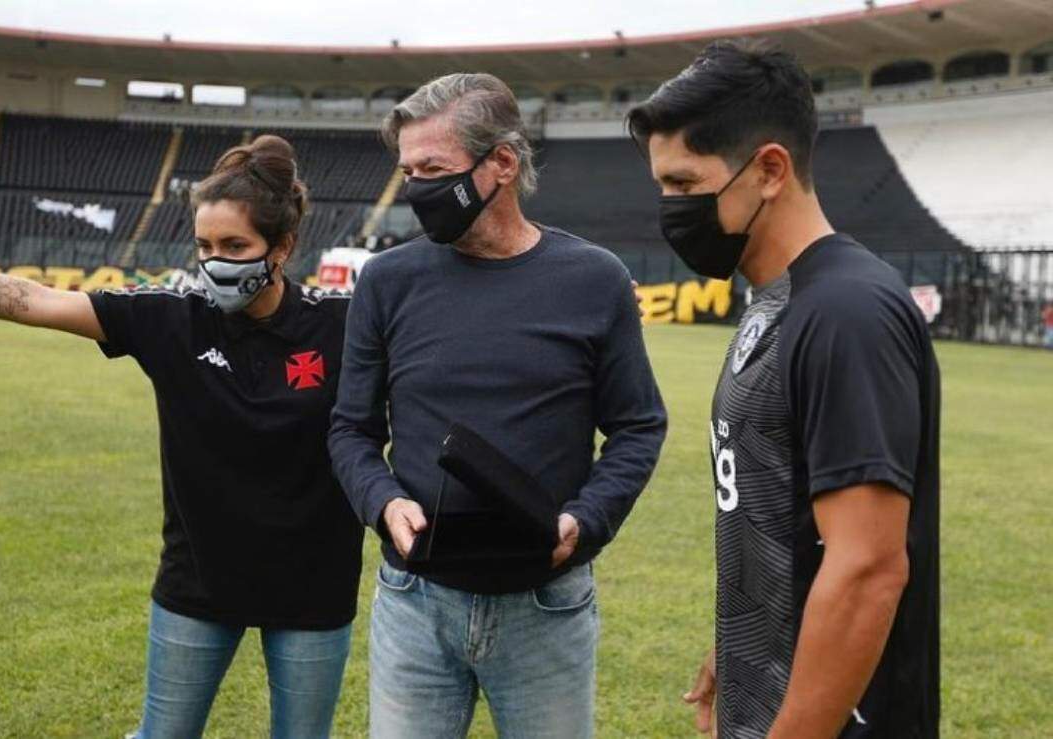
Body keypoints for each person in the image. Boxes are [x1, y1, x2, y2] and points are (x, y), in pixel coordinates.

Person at [0, 135, 364, 739]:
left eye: (235, 246)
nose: (215, 261)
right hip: (197, 583)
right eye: (204, 245)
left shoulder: (343, 323)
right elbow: (28, 299)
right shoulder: (170, 316)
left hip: (313, 588)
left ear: (282, 248)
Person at [329, 72, 667, 738]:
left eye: (434, 168)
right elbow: (350, 429)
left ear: (503, 163)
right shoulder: (387, 282)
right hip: (413, 600)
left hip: (546, 603)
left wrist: (586, 518)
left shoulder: (594, 279)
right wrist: (383, 501)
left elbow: (638, 425)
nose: (417, 187)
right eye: (408, 170)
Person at [627, 40, 940, 737]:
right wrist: (739, 650)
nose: (670, 209)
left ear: (769, 169)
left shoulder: (846, 313)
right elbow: (777, 513)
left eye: (684, 184)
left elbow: (866, 568)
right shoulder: (777, 302)